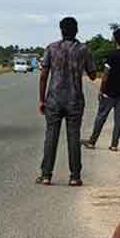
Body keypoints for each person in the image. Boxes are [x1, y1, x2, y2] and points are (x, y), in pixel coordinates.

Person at [36, 17, 97, 187]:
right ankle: (75, 176)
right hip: (74, 100)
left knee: (51, 137)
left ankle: (46, 175)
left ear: (61, 30)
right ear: (76, 30)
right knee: (73, 137)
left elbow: (43, 76)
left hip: (54, 100)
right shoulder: (83, 50)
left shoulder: (51, 48)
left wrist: (42, 99)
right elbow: (93, 75)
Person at [81, 28, 120, 152]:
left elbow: (105, 76)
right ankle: (114, 145)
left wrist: (101, 90)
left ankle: (92, 141)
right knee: (119, 120)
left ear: (115, 40)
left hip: (109, 92)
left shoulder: (111, 56)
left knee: (101, 117)